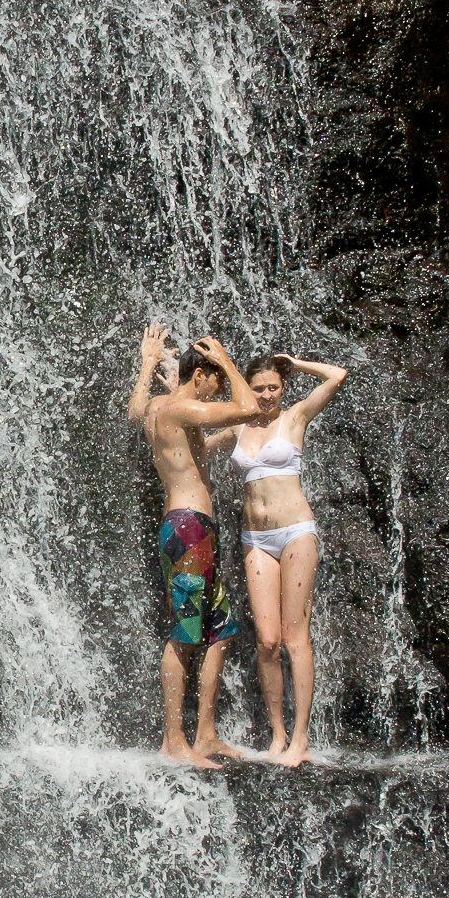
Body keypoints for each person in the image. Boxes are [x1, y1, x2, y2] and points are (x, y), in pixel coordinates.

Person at [127, 325, 265, 770]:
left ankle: (205, 735)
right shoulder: (182, 407)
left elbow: (136, 413)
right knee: (187, 631)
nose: (219, 389)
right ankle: (173, 740)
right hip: (187, 527)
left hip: (194, 528)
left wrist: (149, 364)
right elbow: (247, 407)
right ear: (201, 373)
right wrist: (227, 361)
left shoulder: (161, 408)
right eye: (217, 379)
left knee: (221, 629)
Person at [209, 353, 349, 767]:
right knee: (267, 641)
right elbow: (192, 431)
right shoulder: (237, 424)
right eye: (259, 388)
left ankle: (301, 739)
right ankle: (277, 735)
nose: (268, 395)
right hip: (255, 538)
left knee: (294, 638)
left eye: (274, 386)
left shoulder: (295, 418)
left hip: (295, 533)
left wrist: (296, 364)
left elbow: (337, 376)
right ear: (247, 388)